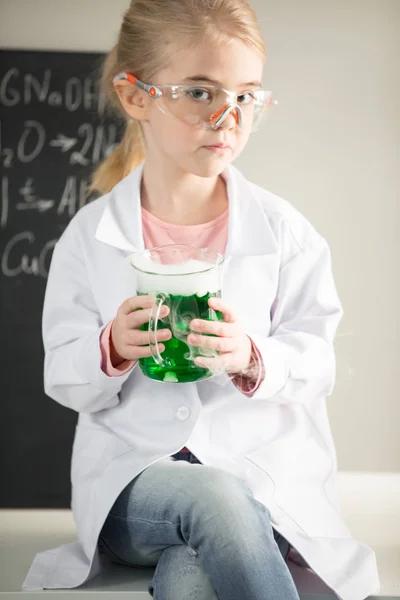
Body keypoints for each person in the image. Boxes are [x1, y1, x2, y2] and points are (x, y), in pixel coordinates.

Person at [22, 0, 380, 599]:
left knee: (194, 576)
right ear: (136, 96)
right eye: (199, 92)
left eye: (246, 96)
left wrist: (252, 357)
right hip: (138, 485)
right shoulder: (90, 236)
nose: (227, 116)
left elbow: (317, 363)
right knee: (212, 497)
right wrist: (109, 348)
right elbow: (63, 374)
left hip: (264, 480)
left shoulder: (284, 230)